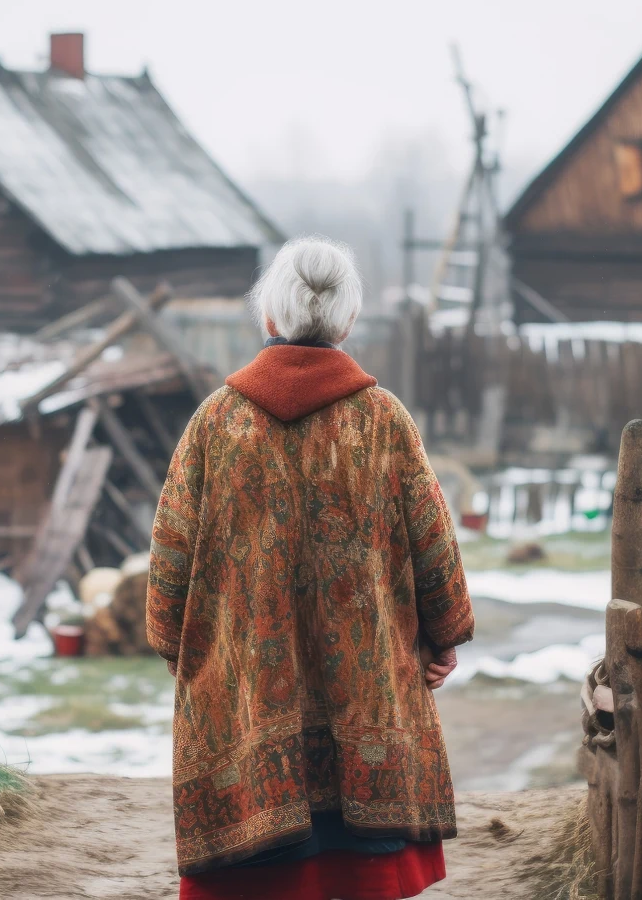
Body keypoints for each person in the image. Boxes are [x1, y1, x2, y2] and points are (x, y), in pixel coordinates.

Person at [147, 236, 474, 900]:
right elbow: (435, 545)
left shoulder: (214, 424)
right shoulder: (385, 421)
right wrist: (443, 638)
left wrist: (181, 649)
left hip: (244, 724)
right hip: (368, 714)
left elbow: (168, 567)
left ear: (270, 315)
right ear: (347, 321)